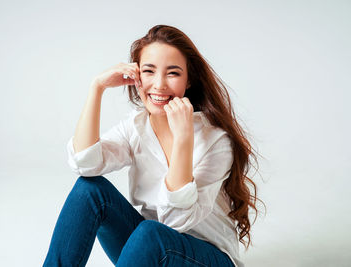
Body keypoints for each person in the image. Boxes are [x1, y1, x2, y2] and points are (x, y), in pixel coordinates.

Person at [43, 24, 263, 267]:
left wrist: (183, 139)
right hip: (149, 253)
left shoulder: (215, 141)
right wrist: (97, 87)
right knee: (89, 190)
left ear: (189, 80)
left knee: (152, 233)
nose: (159, 85)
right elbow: (85, 163)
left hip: (207, 258)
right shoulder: (136, 128)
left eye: (172, 73)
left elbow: (176, 220)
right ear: (136, 76)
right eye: (149, 71)